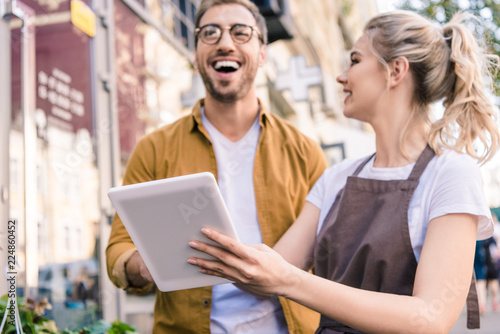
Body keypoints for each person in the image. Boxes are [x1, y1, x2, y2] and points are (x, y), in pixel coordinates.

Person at [188, 10, 500, 333]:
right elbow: (269, 275)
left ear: (395, 71)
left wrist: (289, 280)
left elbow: (430, 317)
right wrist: (201, 245)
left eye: (354, 60)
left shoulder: (450, 174)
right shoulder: (336, 178)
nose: (341, 76)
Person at [105, 0, 327, 333]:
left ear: (262, 52)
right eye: (210, 33)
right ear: (195, 55)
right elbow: (118, 250)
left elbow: (331, 256)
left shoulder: (305, 152)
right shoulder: (154, 149)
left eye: (241, 32)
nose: (225, 43)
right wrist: (145, 263)